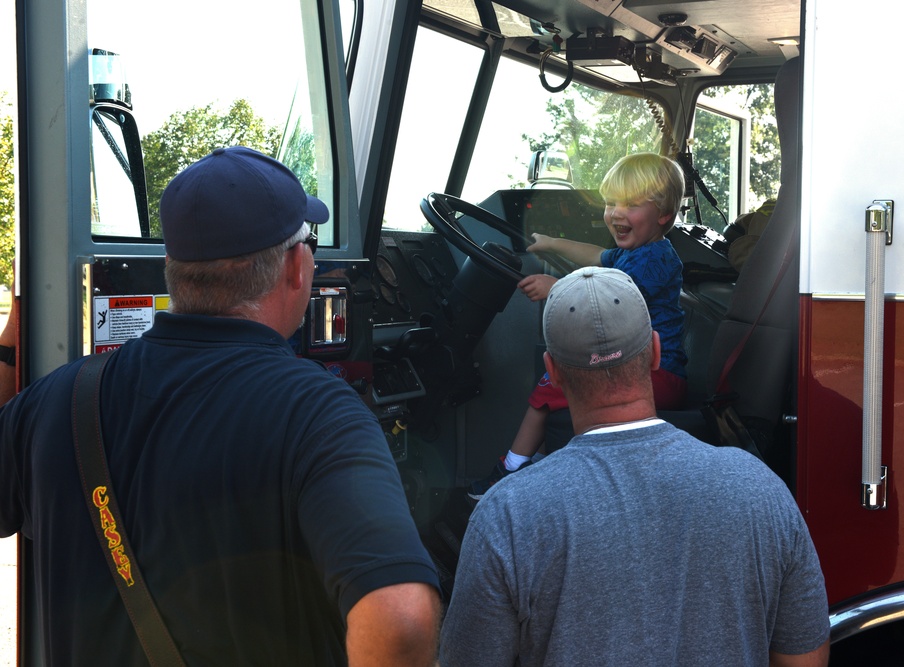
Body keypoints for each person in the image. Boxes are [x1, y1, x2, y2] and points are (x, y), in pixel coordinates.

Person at [0, 146, 441, 665]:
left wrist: (14, 331)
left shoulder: (58, 401)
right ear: (298, 266)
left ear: (172, 268)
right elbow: (401, 618)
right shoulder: (320, 415)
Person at [441, 266, 830, 667]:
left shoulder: (506, 515)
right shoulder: (760, 489)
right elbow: (806, 659)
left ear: (552, 372)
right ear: (656, 353)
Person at [469, 152, 688, 500]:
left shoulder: (656, 258)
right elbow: (595, 256)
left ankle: (511, 468)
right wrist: (553, 243)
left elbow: (610, 296)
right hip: (635, 367)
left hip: (657, 373)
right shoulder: (635, 251)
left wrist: (553, 287)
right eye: (610, 202)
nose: (616, 212)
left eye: (630, 204)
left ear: (663, 214)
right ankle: (538, 461)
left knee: (549, 385)